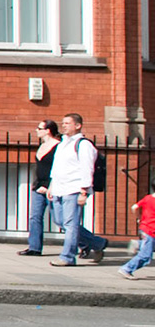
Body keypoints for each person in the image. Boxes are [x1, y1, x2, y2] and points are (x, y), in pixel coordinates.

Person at [48, 111, 109, 266]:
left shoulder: (83, 145)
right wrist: (51, 185)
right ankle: (98, 244)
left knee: (70, 224)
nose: (64, 126)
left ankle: (67, 257)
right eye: (63, 123)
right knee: (60, 221)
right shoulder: (62, 144)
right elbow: (57, 168)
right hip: (59, 189)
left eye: (67, 123)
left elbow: (87, 168)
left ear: (78, 125)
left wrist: (84, 191)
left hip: (74, 189)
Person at [17, 119, 60, 256]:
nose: (36, 130)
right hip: (38, 187)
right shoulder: (42, 146)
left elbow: (58, 169)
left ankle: (92, 243)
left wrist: (48, 186)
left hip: (52, 187)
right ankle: (34, 247)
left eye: (39, 128)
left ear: (48, 130)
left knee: (60, 220)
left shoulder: (59, 147)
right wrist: (37, 184)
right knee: (35, 217)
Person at [122, 185, 155, 278]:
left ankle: (138, 244)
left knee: (149, 246)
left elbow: (134, 207)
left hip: (145, 227)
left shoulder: (148, 198)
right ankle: (127, 268)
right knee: (146, 256)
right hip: (151, 230)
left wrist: (139, 217)